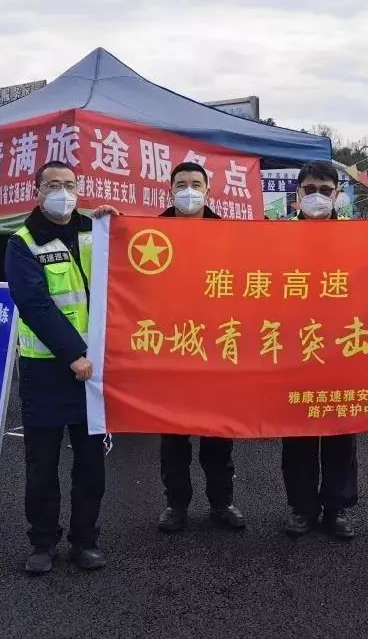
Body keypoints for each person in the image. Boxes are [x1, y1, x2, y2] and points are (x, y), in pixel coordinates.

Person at [4, 160, 116, 575]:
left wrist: (114, 223)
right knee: (41, 463)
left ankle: (86, 540)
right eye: (53, 184)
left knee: (91, 463)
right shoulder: (22, 242)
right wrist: (74, 354)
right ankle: (43, 542)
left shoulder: (94, 231)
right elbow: (34, 305)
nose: (62, 192)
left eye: (69, 184)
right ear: (36, 192)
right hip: (47, 369)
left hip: (95, 370)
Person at [157, 162, 246, 534]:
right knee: (173, 436)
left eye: (196, 184)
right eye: (181, 184)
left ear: (208, 191)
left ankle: (222, 503)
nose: (188, 190)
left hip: (217, 347)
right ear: (170, 189)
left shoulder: (228, 234)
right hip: (169, 350)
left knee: (217, 435)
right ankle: (176, 505)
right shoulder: (149, 233)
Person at [280, 159, 359, 540]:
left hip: (341, 350)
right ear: (297, 195)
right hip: (294, 350)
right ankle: (301, 507)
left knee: (340, 432)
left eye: (324, 191)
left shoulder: (357, 239)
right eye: (309, 190)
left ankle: (338, 508)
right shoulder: (273, 239)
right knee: (296, 434)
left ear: (337, 195)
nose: (316, 197)